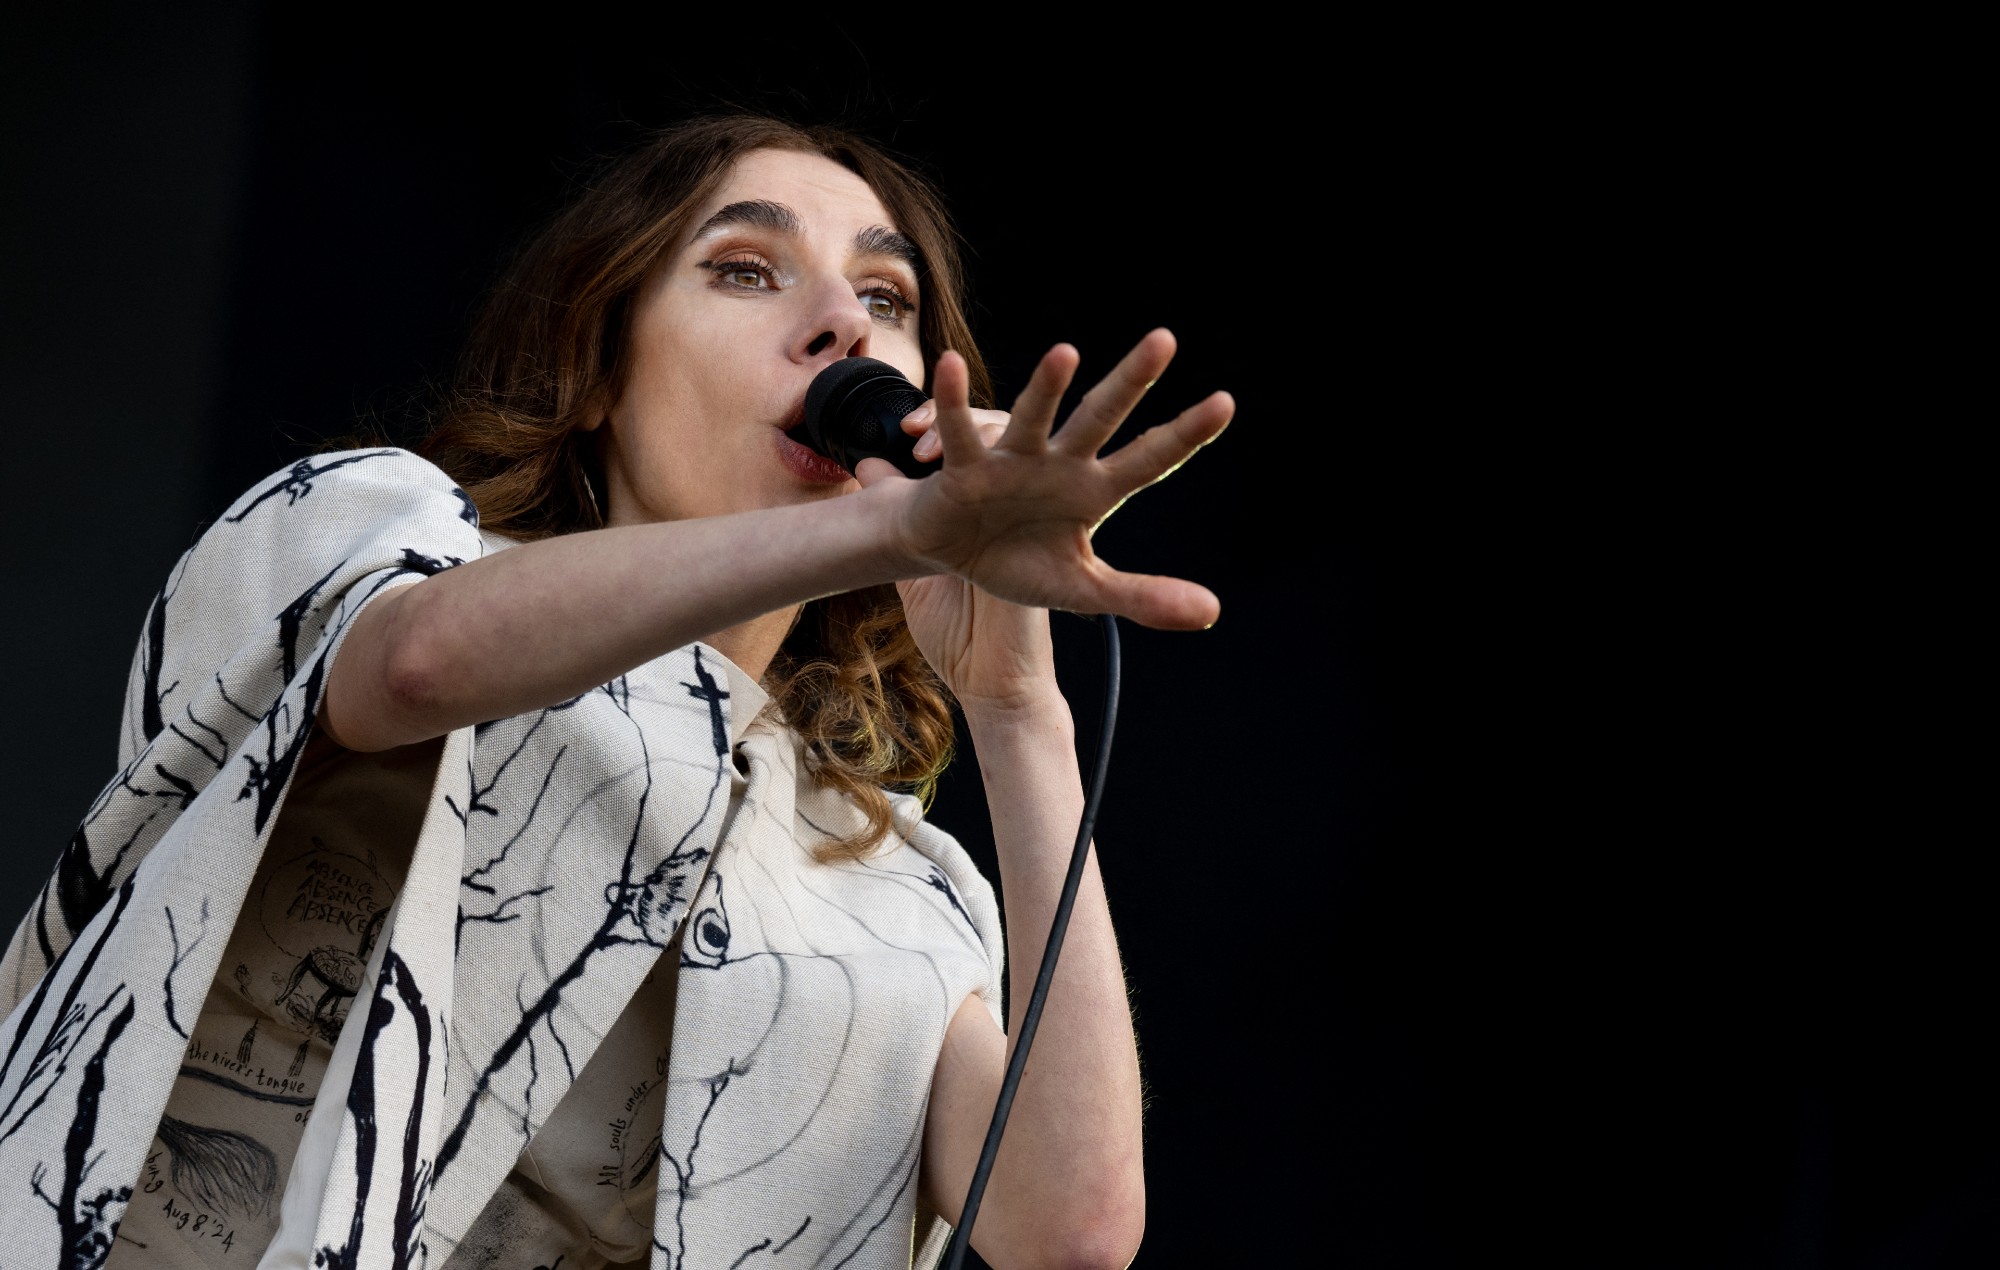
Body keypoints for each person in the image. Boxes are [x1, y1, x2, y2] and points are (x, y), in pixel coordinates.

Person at [0, 111, 1232, 1269]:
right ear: (596, 370)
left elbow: (1067, 1225)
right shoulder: (371, 534)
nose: (838, 328)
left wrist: (1018, 711)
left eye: (884, 296)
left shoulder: (893, 885)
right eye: (746, 269)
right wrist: (881, 536)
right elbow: (415, 668)